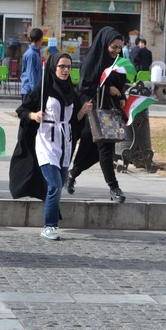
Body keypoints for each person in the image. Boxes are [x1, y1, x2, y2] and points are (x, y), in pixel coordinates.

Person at [10, 52, 91, 241]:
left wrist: (82, 112)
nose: (65, 70)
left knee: (60, 183)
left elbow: (72, 121)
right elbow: (21, 110)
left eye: (68, 67)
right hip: (46, 140)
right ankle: (49, 226)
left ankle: (51, 221)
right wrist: (33, 116)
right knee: (54, 184)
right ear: (54, 67)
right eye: (61, 66)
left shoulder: (71, 90)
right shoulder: (44, 87)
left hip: (65, 143)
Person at [67, 26, 128, 203]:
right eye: (113, 47)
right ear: (104, 45)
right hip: (93, 110)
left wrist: (121, 96)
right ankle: (114, 188)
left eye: (119, 48)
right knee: (103, 148)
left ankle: (72, 173)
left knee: (94, 150)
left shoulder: (118, 62)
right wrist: (107, 89)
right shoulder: (93, 61)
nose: (116, 51)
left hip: (110, 111)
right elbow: (84, 86)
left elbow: (120, 84)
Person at [20, 28, 44, 102]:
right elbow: (31, 74)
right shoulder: (31, 54)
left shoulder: (35, 52)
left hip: (31, 89)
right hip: (29, 90)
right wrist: (35, 91)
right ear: (40, 39)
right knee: (28, 113)